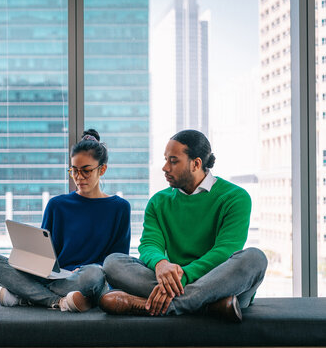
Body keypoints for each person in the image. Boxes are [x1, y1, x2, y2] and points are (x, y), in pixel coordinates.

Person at [99, 129, 268, 322]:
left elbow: (225, 251)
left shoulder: (235, 197)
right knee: (113, 263)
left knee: (255, 258)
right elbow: (148, 244)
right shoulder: (158, 201)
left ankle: (156, 306)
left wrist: (184, 276)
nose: (165, 167)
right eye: (165, 159)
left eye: (173, 161)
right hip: (187, 286)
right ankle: (208, 306)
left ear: (196, 163)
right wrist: (161, 264)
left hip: (219, 282)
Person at [0, 129, 131, 312]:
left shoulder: (120, 207)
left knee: (93, 275)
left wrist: (86, 269)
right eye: (74, 171)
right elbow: (45, 255)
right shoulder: (57, 205)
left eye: (86, 171)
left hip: (86, 279)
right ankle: (58, 302)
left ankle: (25, 295)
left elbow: (116, 260)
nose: (79, 177)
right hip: (55, 278)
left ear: (102, 169)